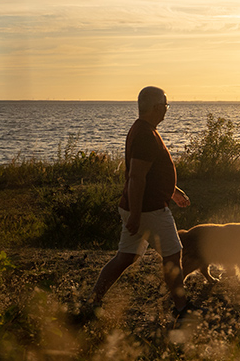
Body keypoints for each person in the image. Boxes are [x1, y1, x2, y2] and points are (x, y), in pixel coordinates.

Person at [82, 86, 195, 323]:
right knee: (173, 253)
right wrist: (135, 214)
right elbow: (136, 177)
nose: (167, 109)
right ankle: (182, 308)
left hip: (143, 207)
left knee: (125, 256)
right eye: (165, 104)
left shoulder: (144, 130)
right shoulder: (145, 135)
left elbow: (150, 174)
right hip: (149, 209)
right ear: (156, 107)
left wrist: (172, 192)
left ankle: (93, 300)